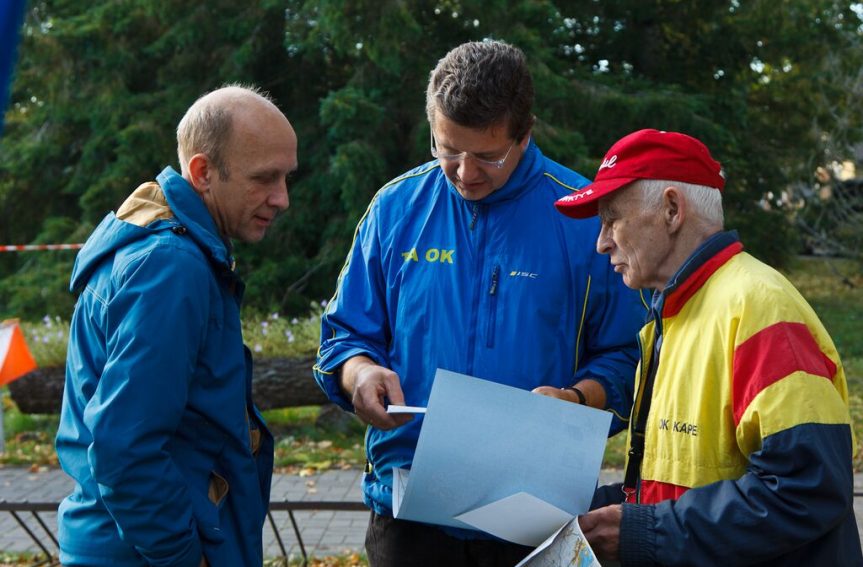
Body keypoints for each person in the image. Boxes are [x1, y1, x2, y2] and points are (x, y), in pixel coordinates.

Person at [313, 40, 646, 566]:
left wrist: (578, 400)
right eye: (446, 149)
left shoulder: (584, 221)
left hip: (535, 514)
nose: (465, 172)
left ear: (525, 132)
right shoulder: (395, 208)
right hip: (408, 514)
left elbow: (632, 355)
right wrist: (359, 374)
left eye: (488, 156)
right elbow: (342, 337)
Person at [555, 128, 862, 566]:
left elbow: (808, 489)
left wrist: (644, 531)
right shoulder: (673, 318)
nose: (601, 242)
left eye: (611, 219)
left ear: (672, 209)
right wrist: (586, 504)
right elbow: (676, 482)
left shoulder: (759, 308)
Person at [55, 85, 298, 567]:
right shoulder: (171, 266)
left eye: (287, 177)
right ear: (203, 172)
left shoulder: (168, 247)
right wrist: (184, 555)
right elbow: (125, 446)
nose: (282, 198)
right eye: (264, 179)